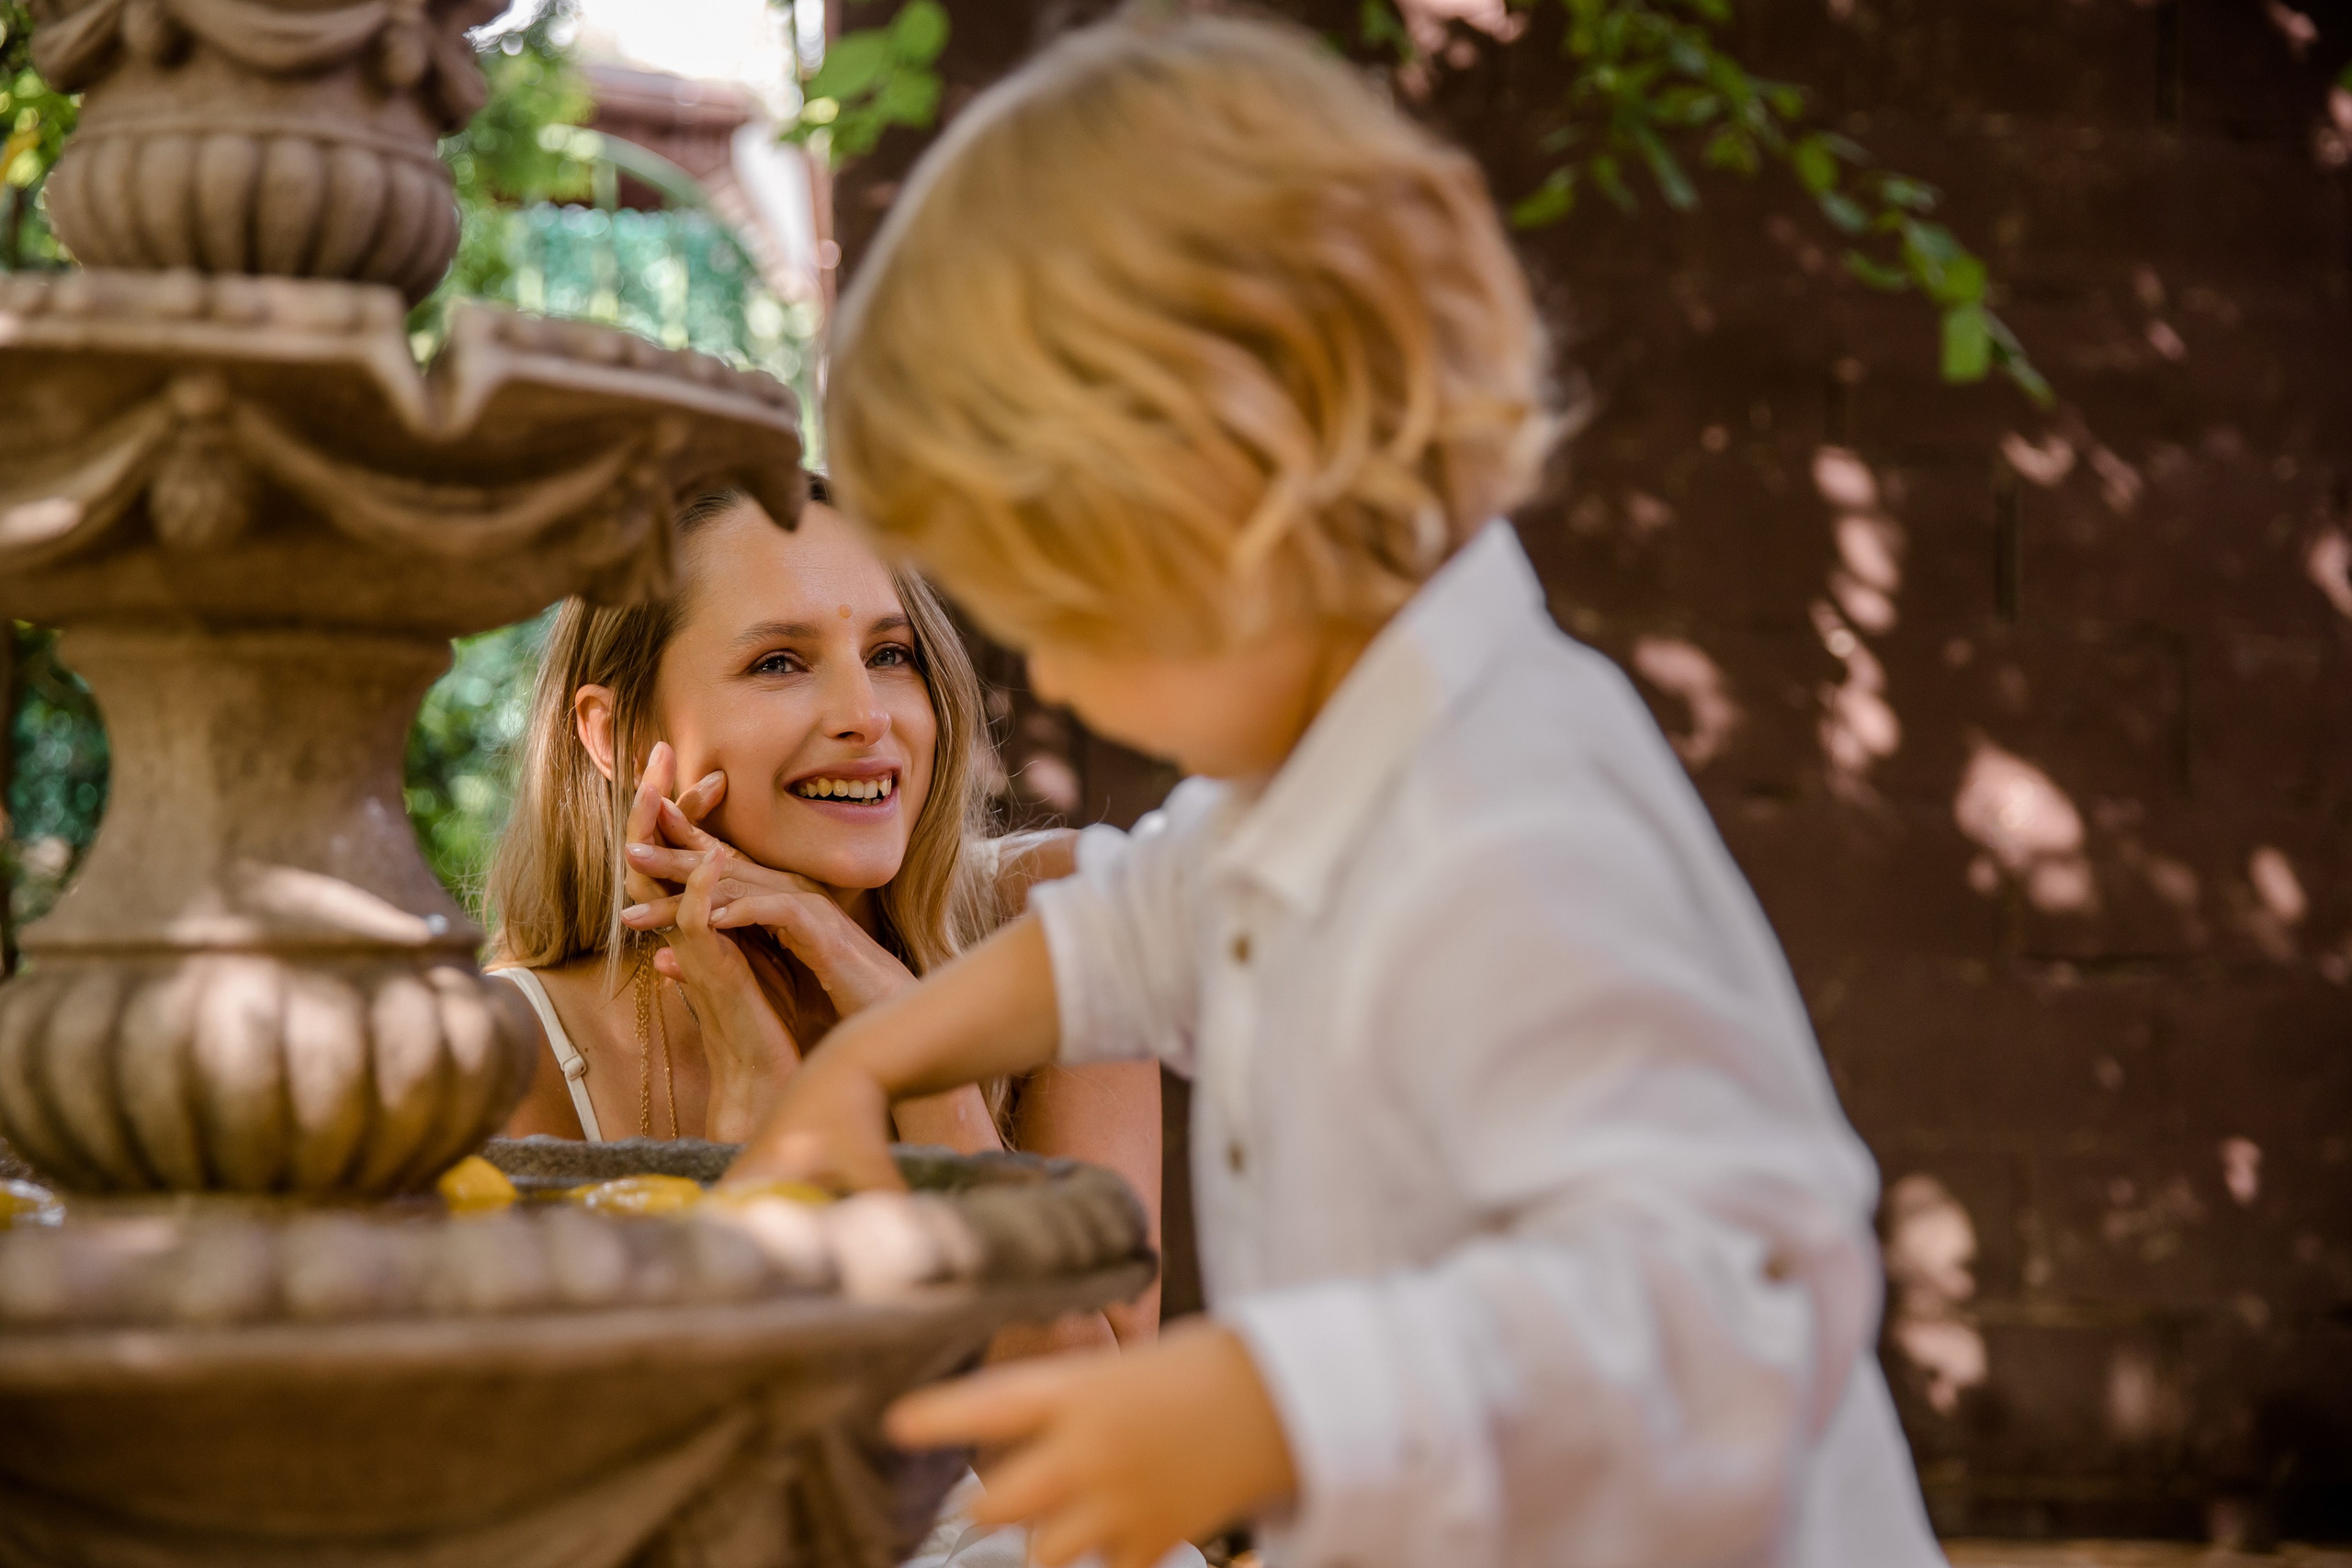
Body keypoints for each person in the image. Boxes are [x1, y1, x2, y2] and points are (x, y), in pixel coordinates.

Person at [726, 14, 1951, 1568]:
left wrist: (1268, 1401)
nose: (1047, 668)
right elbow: (1137, 919)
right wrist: (880, 1051)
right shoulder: (1337, 774)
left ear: (1233, 489)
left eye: (1055, 598)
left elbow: (1722, 1315)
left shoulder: (1510, 834)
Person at [485, 479, 1163, 1355]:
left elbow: (1099, 1413)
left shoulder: (1063, 917)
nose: (866, 716)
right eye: (779, 662)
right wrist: (753, 1111)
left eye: (891, 654)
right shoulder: (512, 1052)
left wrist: (914, 1048)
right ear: (609, 733)